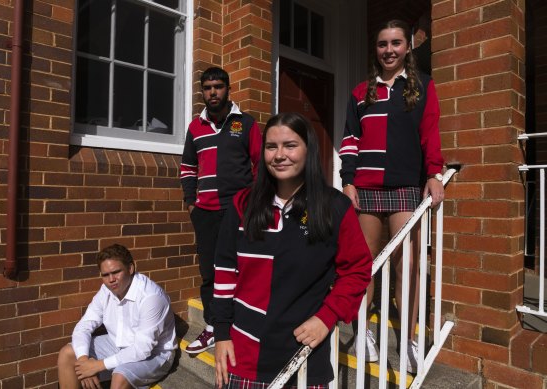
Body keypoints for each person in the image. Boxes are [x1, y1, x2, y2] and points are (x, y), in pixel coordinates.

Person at [212, 112, 372, 388]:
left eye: (290, 145)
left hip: (303, 358)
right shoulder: (242, 204)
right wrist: (222, 334)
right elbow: (225, 272)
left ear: (308, 149)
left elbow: (357, 270)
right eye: (271, 147)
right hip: (243, 357)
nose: (279, 155)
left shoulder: (334, 207)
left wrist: (327, 316)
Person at [338, 19, 444, 373]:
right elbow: (350, 139)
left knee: (407, 265)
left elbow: (430, 133)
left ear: (407, 47)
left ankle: (411, 339)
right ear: (376, 48)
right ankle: (363, 329)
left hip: (402, 187)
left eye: (396, 43)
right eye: (383, 44)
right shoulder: (359, 92)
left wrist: (433, 174)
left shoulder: (423, 86)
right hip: (365, 188)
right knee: (364, 264)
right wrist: (347, 181)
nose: (389, 50)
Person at [180, 66, 262, 354]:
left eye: (218, 87)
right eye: (207, 88)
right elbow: (188, 168)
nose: (212, 92)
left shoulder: (246, 124)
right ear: (202, 91)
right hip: (205, 213)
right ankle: (214, 327)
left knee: (241, 266)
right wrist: (191, 203)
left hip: (238, 211)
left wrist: (253, 204)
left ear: (228, 89)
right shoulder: (195, 127)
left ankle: (242, 322)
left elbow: (260, 167)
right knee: (209, 272)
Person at [57, 244, 177, 389]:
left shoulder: (151, 297)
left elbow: (142, 349)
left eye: (116, 272)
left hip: (155, 354)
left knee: (120, 376)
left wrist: (97, 366)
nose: (111, 279)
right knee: (67, 354)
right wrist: (84, 362)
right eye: (105, 275)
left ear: (130, 268)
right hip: (118, 343)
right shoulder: (106, 290)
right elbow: (84, 325)